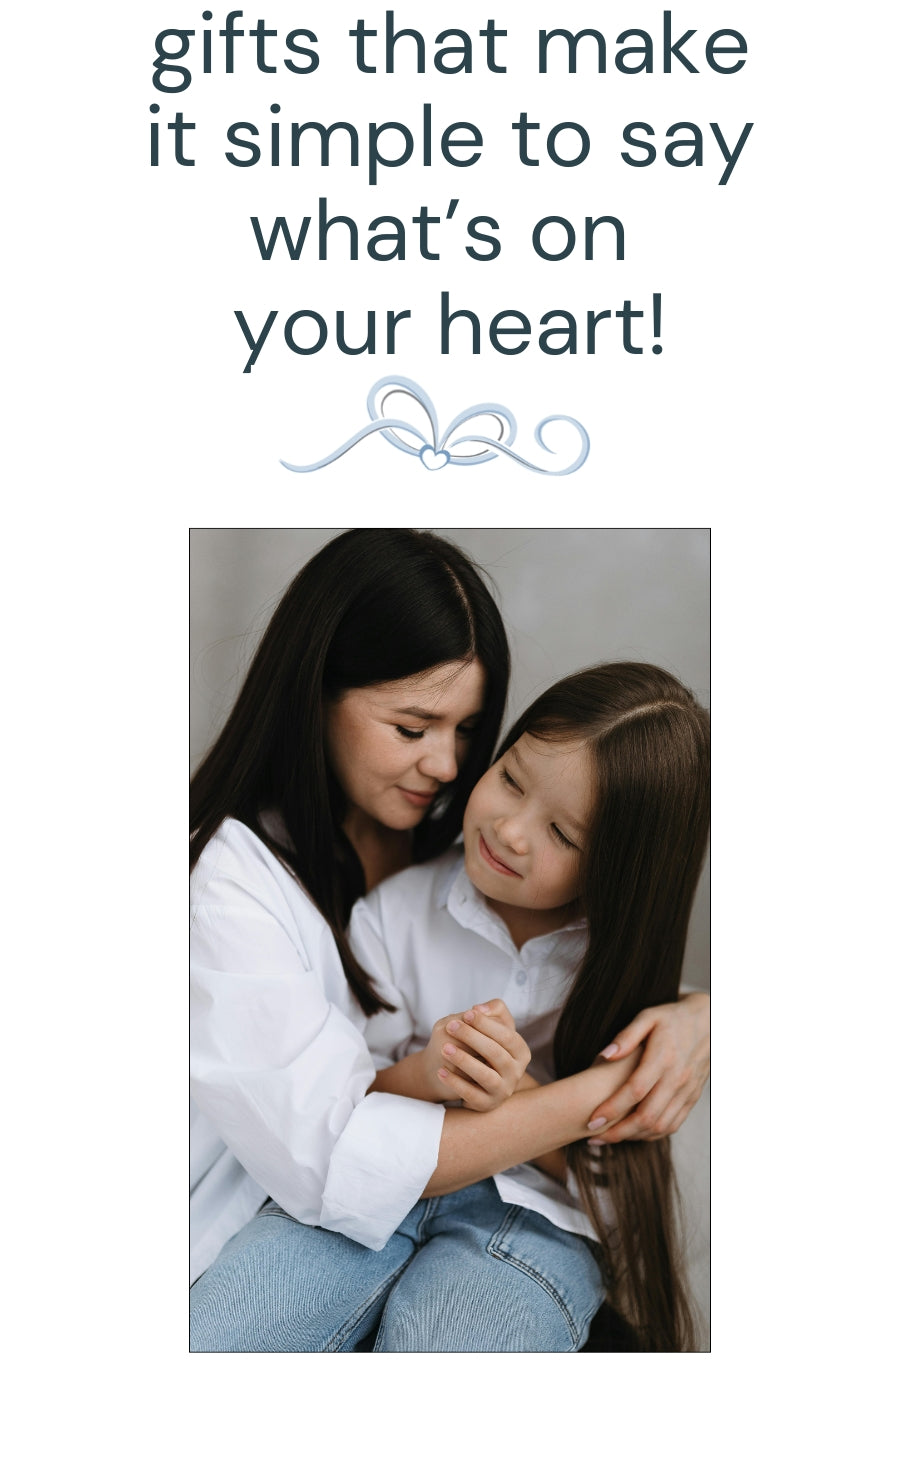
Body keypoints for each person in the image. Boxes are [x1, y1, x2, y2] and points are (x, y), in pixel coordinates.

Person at [190, 531, 710, 1349]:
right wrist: (578, 1099)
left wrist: (695, 1016)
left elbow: (621, 974)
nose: (445, 765)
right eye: (412, 727)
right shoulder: (238, 883)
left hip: (521, 1219)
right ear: (315, 693)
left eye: (470, 733)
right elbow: (338, 1144)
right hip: (319, 1197)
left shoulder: (465, 836)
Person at [351, 662, 710, 1351]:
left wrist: (522, 1097)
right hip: (383, 1196)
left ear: (617, 868)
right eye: (511, 779)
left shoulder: (625, 978)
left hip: (536, 1222)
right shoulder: (394, 915)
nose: (512, 831)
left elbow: (621, 1187)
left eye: (564, 836)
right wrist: (432, 1075)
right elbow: (341, 1102)